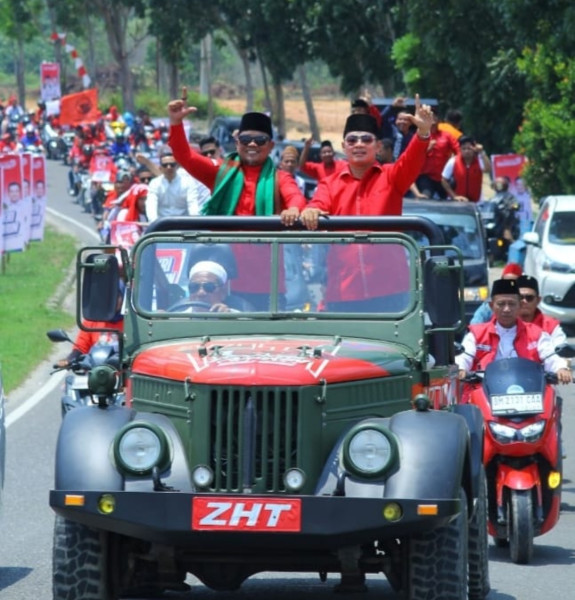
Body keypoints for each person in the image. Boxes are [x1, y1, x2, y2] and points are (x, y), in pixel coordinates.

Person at [167, 88, 305, 224]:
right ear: (238, 143)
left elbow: (295, 197)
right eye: (245, 139)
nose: (252, 144)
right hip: (223, 245)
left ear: (270, 146)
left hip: (266, 246)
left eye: (260, 140)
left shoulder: (280, 178)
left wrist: (293, 209)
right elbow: (185, 156)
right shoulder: (222, 172)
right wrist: (176, 123)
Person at [300, 94, 433, 230]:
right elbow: (317, 204)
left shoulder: (392, 176)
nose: (359, 144)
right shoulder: (329, 184)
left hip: (385, 252)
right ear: (343, 147)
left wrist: (422, 132)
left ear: (378, 147)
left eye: (366, 139)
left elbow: (412, 159)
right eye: (352, 140)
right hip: (340, 252)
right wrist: (311, 210)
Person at [456, 278, 571, 383]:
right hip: (484, 390)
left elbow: (550, 356)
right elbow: (464, 356)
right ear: (491, 306)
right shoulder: (476, 334)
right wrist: (460, 368)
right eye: (501, 304)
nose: (506, 309)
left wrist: (561, 368)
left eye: (512, 304)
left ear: (520, 305)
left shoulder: (537, 333)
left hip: (528, 389)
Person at [55, 283, 124, 368]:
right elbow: (81, 347)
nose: (112, 301)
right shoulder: (92, 319)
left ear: (123, 299)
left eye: (117, 297)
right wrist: (70, 359)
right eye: (108, 296)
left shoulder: (131, 323)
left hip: (122, 374)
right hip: (94, 373)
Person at [411, 107, 459, 200]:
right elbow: (413, 155)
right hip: (425, 176)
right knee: (425, 197)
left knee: (449, 199)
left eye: (434, 117)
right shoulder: (420, 135)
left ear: (439, 120)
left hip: (442, 177)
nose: (432, 120)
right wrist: (427, 149)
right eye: (429, 117)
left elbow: (458, 151)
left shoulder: (447, 135)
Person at [145, 151, 201, 222]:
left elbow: (193, 205)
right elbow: (151, 205)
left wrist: (195, 222)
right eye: (165, 165)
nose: (169, 167)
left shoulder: (188, 182)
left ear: (177, 166)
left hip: (184, 224)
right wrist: (153, 223)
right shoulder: (154, 183)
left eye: (172, 164)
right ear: (160, 168)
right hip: (161, 224)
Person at [516, 274, 567, 348]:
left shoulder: (550, 325)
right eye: (520, 297)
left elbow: (561, 349)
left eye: (529, 298)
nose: (524, 301)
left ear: (538, 300)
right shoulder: (504, 323)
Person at [441, 135, 491, 202]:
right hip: (458, 201)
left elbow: (488, 169)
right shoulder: (453, 161)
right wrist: (454, 196)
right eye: (464, 149)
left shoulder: (479, 160)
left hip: (476, 201)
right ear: (460, 149)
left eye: (469, 148)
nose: (466, 151)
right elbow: (443, 180)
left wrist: (482, 152)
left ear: (474, 149)